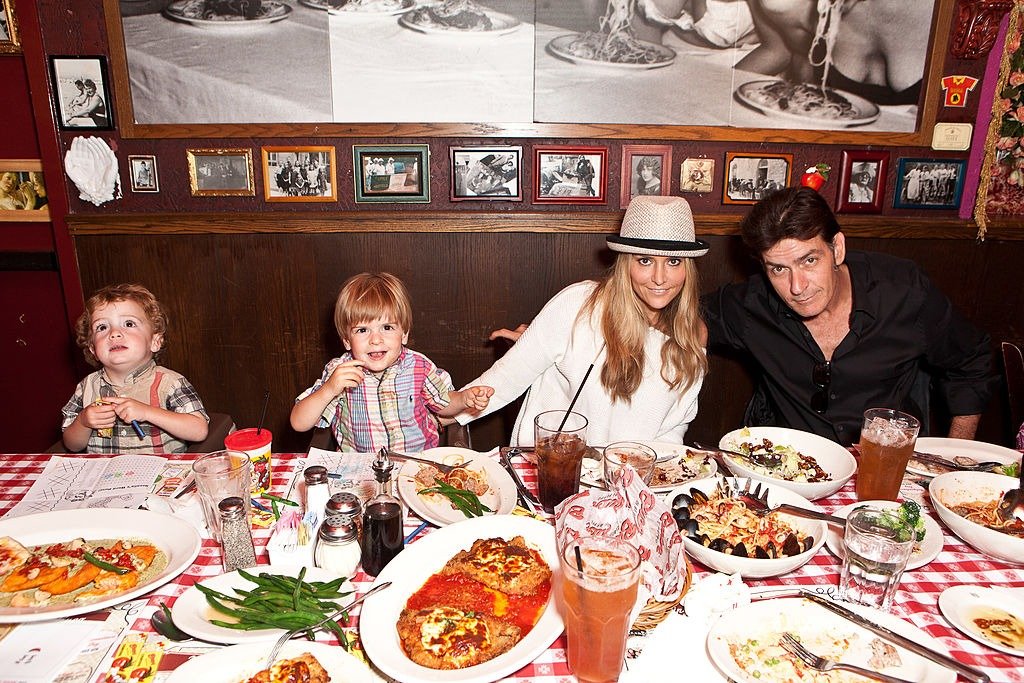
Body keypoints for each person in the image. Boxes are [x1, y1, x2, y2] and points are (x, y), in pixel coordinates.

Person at [702, 187, 996, 445]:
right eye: (778, 269)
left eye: (809, 260)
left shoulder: (903, 291)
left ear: (837, 248)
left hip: (883, 468)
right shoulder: (753, 303)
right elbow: (681, 320)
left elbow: (971, 360)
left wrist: (957, 457)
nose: (797, 286)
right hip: (785, 470)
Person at [458, 195, 709, 446]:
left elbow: (675, 425)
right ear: (625, 264)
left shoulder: (693, 333)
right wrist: (440, 412)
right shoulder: (578, 304)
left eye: (674, 262)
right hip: (555, 470)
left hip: (637, 477)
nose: (659, 278)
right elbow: (505, 379)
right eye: (645, 260)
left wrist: (650, 474)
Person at [291, 272, 494, 453]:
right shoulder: (339, 372)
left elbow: (444, 403)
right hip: (363, 473)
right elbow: (298, 423)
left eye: (387, 327)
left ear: (404, 333)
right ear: (346, 340)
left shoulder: (419, 367)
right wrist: (329, 389)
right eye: (362, 330)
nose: (376, 339)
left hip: (416, 466)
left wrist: (463, 399)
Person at [61, 284, 210, 454]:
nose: (114, 333)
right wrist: (83, 422)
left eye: (129, 324)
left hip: (163, 476)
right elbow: (72, 445)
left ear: (155, 341)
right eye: (102, 327)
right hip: (106, 477)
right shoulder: (86, 387)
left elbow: (199, 430)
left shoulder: (170, 383)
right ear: (92, 349)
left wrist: (147, 412)